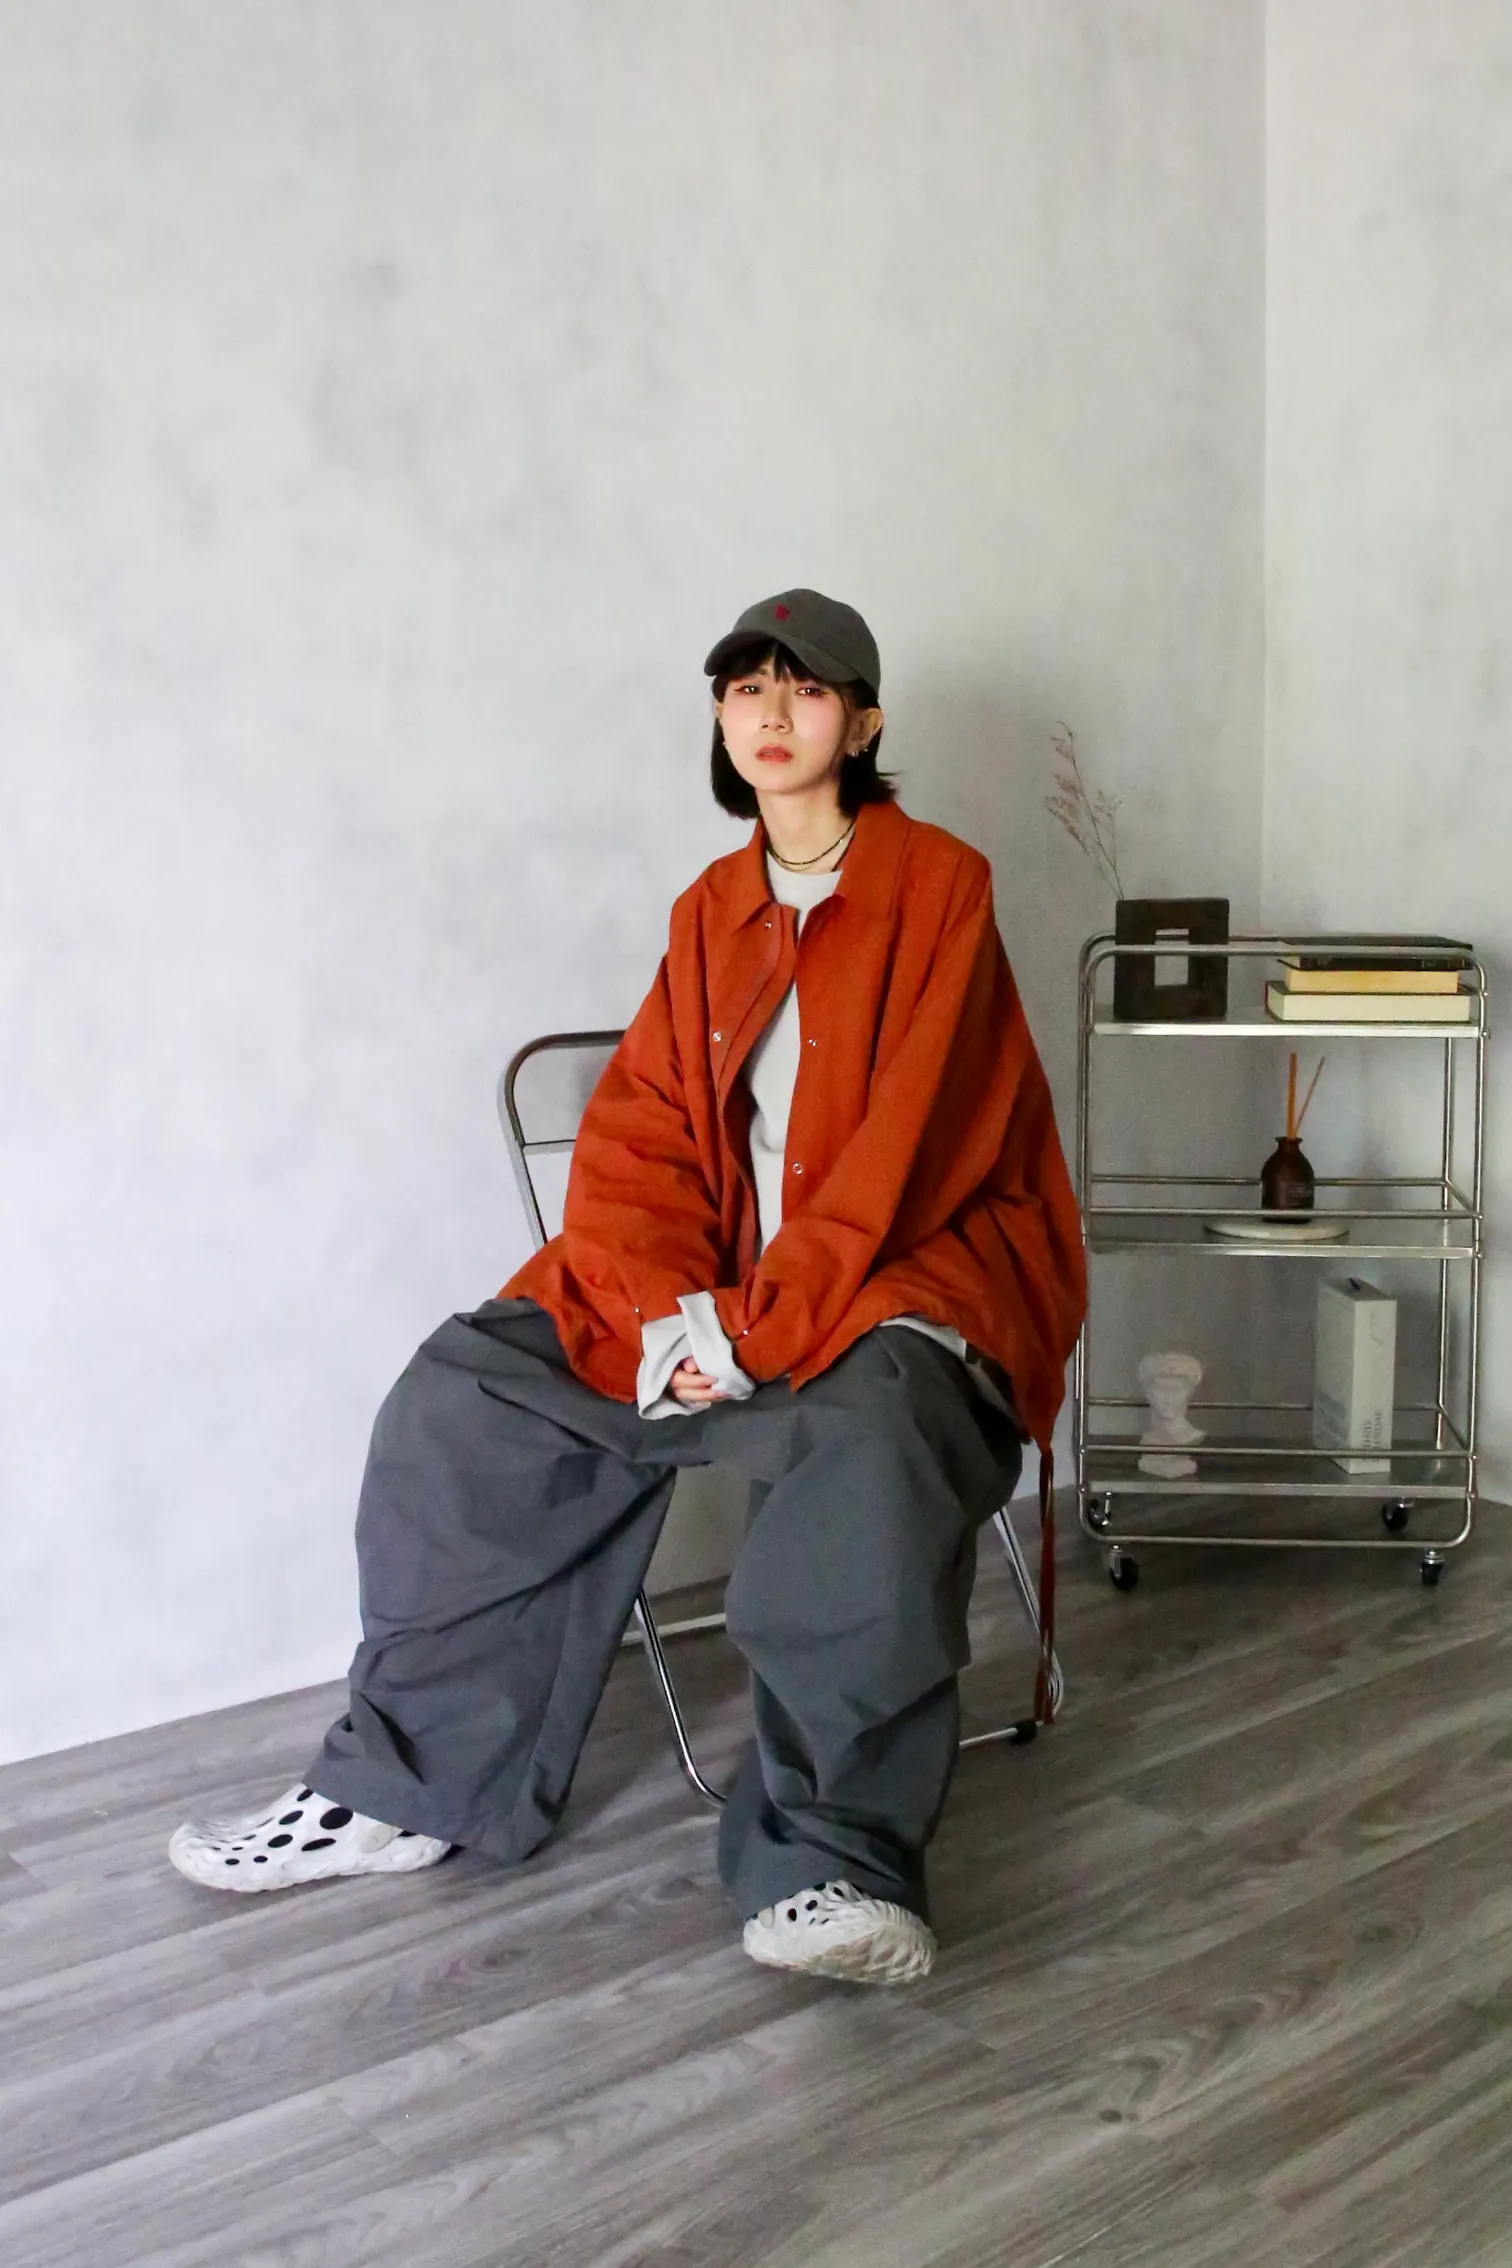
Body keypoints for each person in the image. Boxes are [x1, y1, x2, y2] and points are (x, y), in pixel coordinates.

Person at [169, 588, 1086, 1986]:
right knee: (470, 1390)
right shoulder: (710, 910)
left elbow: (903, 1154)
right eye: (745, 688)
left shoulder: (940, 887)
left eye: (807, 688)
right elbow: (643, 1138)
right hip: (728, 1292)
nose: (772, 713)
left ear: (863, 723)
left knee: (874, 1432)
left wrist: (755, 1329)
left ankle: (833, 1861)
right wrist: (669, 1316)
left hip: (897, 1276)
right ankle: (406, 1785)